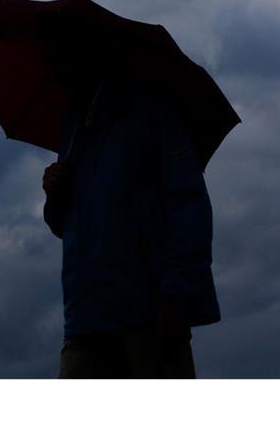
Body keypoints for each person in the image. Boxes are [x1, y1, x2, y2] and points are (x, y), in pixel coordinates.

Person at [41, 32, 221, 378]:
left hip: (150, 314)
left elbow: (189, 208)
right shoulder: (75, 128)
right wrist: (55, 195)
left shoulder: (151, 114)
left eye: (61, 57)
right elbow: (66, 225)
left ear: (89, 58)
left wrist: (176, 297)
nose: (55, 69)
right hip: (85, 317)